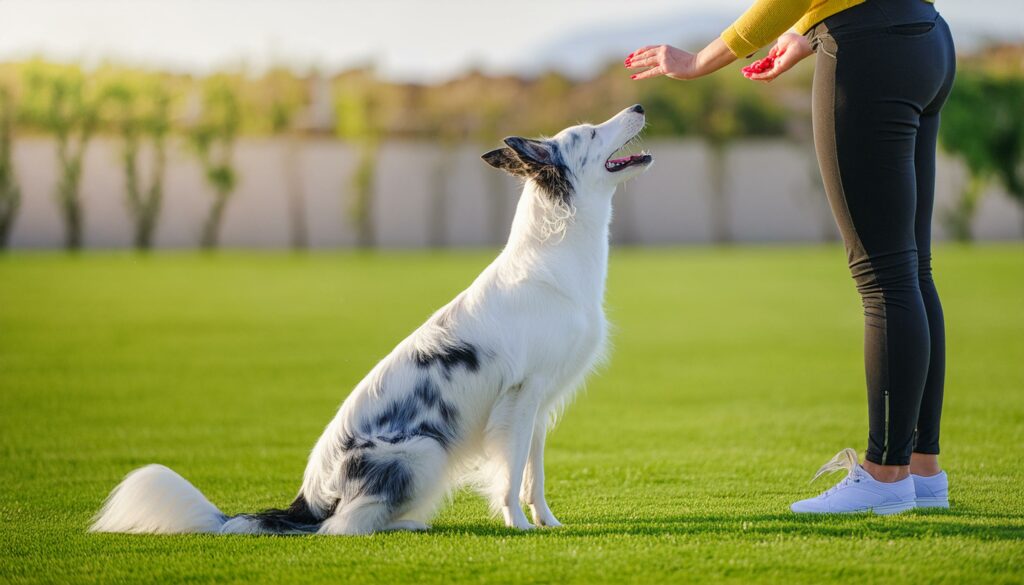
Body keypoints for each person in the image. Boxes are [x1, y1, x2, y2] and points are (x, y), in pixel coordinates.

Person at [626, 0, 955, 514]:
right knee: (911, 269)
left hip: (868, 51)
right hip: (927, 38)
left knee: (884, 276)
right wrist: (808, 31)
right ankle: (921, 470)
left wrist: (699, 62)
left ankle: (886, 476)